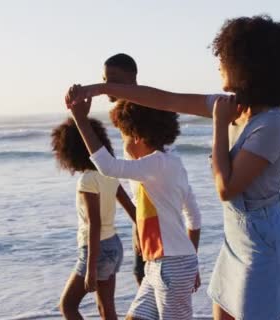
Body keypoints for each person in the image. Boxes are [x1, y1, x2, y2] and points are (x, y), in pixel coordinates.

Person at [67, 14, 280, 320]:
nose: (218, 63)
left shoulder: (271, 124)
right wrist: (99, 90)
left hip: (263, 246)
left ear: (248, 65)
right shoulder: (232, 106)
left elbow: (226, 187)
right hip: (234, 242)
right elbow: (166, 100)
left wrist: (220, 125)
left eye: (224, 57)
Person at [67, 95, 202, 320]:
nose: (122, 144)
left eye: (123, 136)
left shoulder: (155, 164)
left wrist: (81, 119)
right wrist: (191, 262)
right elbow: (194, 218)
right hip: (161, 264)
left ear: (137, 137)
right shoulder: (171, 163)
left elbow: (107, 166)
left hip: (171, 266)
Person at [51, 118, 136, 320]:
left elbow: (94, 224)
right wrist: (140, 236)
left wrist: (90, 269)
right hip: (114, 246)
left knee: (68, 305)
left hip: (96, 250)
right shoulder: (109, 174)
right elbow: (132, 210)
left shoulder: (87, 180)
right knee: (106, 309)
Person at [102, 53, 146, 286]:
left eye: (114, 79)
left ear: (132, 77)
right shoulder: (126, 111)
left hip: (152, 210)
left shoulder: (140, 111)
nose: (107, 85)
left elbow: (151, 171)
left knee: (148, 278)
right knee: (144, 277)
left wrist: (141, 222)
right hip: (143, 210)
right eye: (104, 79)